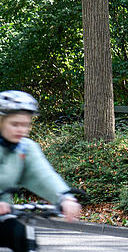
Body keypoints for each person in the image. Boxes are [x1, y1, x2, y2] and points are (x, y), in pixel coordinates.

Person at [0, 91, 81, 252]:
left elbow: (43, 174)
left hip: (3, 214)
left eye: (26, 125)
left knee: (21, 237)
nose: (21, 130)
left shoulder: (26, 148)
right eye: (15, 124)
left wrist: (65, 198)